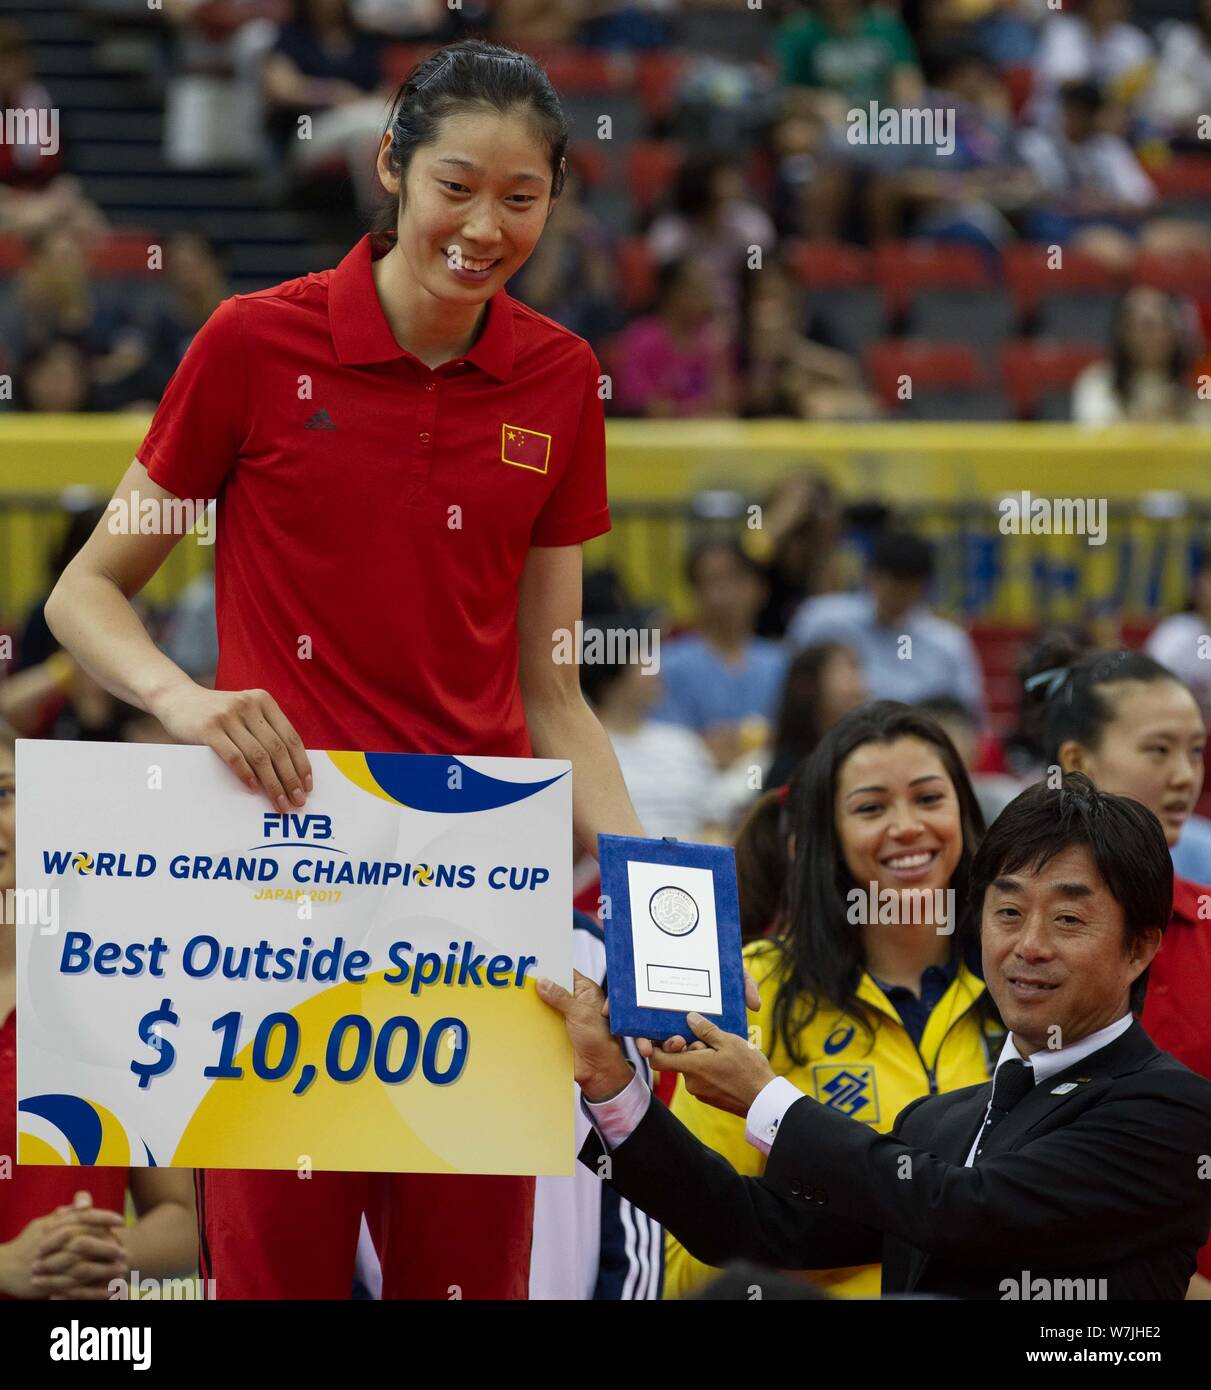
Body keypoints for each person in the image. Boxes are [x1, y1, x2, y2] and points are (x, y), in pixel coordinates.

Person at [44, 38, 646, 1301]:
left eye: (521, 197)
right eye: (456, 185)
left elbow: (554, 691)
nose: (484, 226)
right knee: (279, 1284)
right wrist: (189, 699)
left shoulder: (559, 379)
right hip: (276, 893)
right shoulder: (252, 345)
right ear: (390, 168)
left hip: (477, 901)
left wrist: (655, 897)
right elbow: (84, 593)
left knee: (462, 1287)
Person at [541, 773, 1211, 1300]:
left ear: (1139, 948)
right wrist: (615, 1087)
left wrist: (767, 1100)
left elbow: (970, 1215)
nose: (1027, 947)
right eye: (1006, 912)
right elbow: (748, 1228)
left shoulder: (1168, 1109)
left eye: (1067, 919)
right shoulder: (942, 1120)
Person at [662, 702, 999, 1298]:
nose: (906, 827)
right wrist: (839, 1240)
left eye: (928, 798)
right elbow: (691, 1268)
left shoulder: (1024, 985)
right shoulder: (751, 987)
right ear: (826, 838)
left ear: (965, 816)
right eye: (871, 807)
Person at [1020, 643, 1211, 1292]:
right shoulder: (1000, 939)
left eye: (1194, 750)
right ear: (1075, 761)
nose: (1185, 775)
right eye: (1158, 750)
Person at [0, 721, 198, 1300]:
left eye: (5, 793)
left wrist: (91, 1259)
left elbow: (182, 1218)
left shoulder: (114, 995)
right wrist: (8, 1267)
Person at [788, 529, 986, 718]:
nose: (897, 599)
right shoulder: (822, 620)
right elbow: (789, 689)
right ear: (871, 576)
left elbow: (969, 716)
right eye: (892, 587)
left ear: (923, 587)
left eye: (907, 589)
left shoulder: (947, 644)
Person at [651, 539, 789, 770]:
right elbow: (662, 743)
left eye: (734, 579)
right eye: (711, 581)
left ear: (759, 589)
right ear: (695, 592)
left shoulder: (781, 660)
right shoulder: (668, 664)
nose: (724, 592)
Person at [580, 622, 722, 844]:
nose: (656, 672)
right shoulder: (580, 749)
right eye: (644, 662)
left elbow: (714, 824)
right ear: (611, 672)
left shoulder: (685, 744)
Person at [613, 255, 740, 420]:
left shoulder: (716, 341)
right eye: (698, 289)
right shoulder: (641, 340)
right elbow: (644, 406)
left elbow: (726, 408)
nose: (707, 298)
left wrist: (719, 360)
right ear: (673, 292)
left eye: (708, 289)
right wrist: (698, 413)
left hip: (708, 442)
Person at [1071, 287, 1206, 425]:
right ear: (1123, 332)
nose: (1156, 335)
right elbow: (1094, 436)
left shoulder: (1198, 384)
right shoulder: (1097, 383)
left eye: (1164, 324)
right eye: (1146, 326)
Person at [766, 640, 868, 790]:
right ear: (809, 686)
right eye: (849, 669)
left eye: (858, 669)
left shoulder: (868, 751)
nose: (861, 686)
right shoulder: (787, 768)